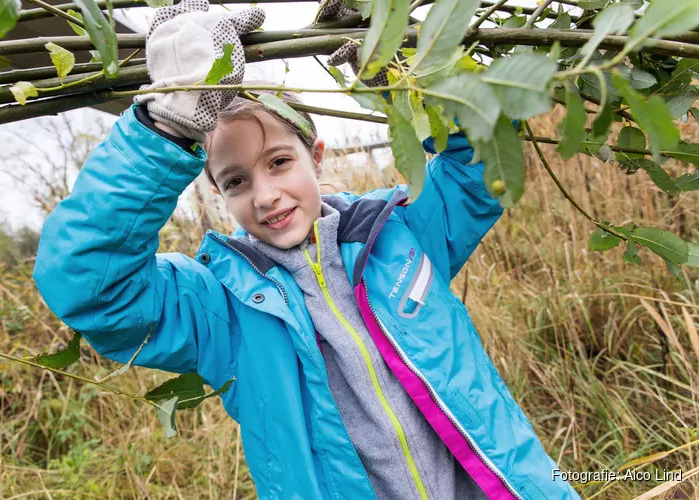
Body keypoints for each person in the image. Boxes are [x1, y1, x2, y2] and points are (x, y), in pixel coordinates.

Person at [33, 1, 579, 499]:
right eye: (236, 181)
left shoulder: (399, 234)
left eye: (278, 162)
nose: (265, 195)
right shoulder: (220, 306)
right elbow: (90, 286)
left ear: (315, 155)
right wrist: (167, 125)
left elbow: (483, 163)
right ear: (217, 192)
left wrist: (404, 71)